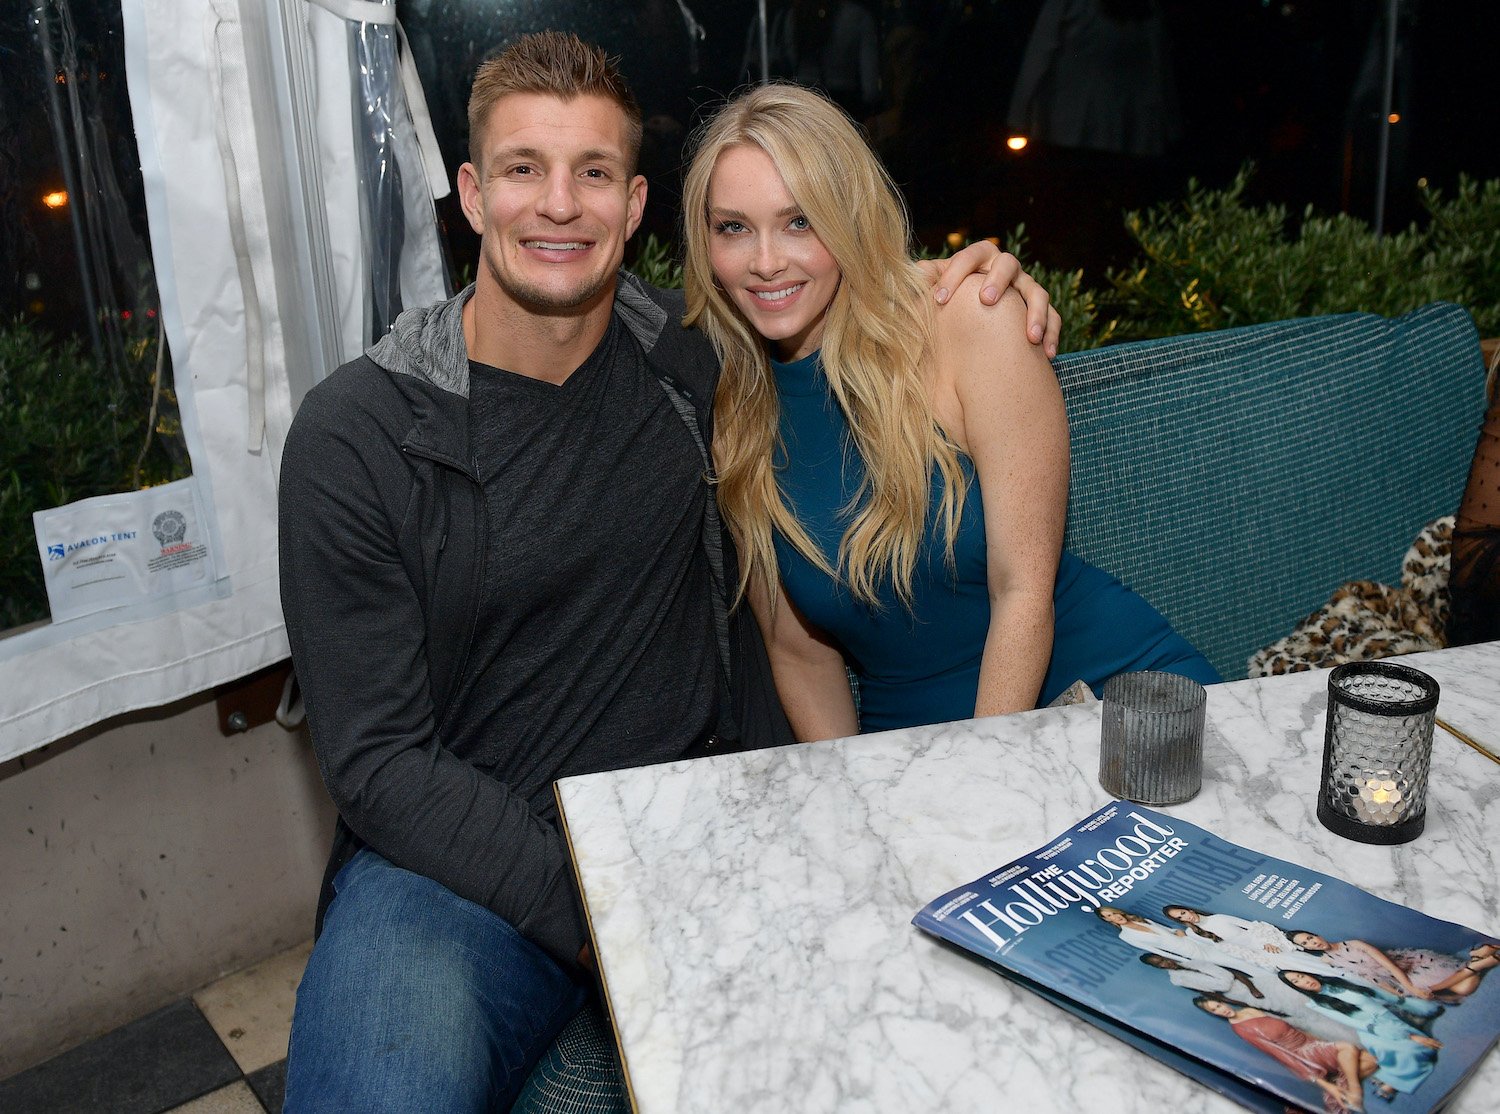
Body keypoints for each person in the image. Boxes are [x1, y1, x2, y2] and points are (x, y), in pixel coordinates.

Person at [277, 32, 1059, 1112]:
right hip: (451, 873)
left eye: (592, 172)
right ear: (469, 194)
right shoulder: (357, 434)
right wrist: (602, 903)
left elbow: (826, 291)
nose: (559, 205)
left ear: (635, 204)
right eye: (522, 170)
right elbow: (379, 765)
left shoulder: (693, 365)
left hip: (705, 835)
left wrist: (968, 279)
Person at [679, 82, 1218, 738]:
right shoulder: (736, 412)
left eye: (801, 221)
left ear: (848, 215)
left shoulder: (967, 317)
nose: (765, 262)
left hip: (1109, 698)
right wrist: (857, 796)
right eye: (733, 228)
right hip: (910, 746)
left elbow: (1022, 594)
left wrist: (982, 784)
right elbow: (800, 651)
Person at [1192, 993, 1375, 1111]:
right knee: (1347, 1047)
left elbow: (1296, 1030)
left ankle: (1345, 1090)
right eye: (1215, 1010)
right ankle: (1355, 1091)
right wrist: (1324, 1083)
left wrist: (1323, 1043)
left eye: (1218, 1005)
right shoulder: (1241, 1029)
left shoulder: (1250, 1009)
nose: (1222, 1010)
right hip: (1301, 1055)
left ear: (1221, 1000)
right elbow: (1279, 1054)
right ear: (1214, 1014)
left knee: (1371, 1059)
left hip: (1312, 1043)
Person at [1279, 971, 1443, 1098]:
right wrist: (1404, 1035)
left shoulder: (1337, 981)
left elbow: (1374, 993)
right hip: (1370, 1030)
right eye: (1297, 982)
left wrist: (1404, 1001)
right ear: (1297, 987)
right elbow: (1353, 1023)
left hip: (1388, 1018)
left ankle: (1391, 1078)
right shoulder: (1315, 1003)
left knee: (1421, 1046)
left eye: (1301, 976)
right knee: (1410, 1049)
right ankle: (1392, 1081)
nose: (1304, 981)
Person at [1138, 954, 1361, 1046]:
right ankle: (1348, 1038)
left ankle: (1356, 1016)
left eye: (1162, 959)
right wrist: (1245, 1002)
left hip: (1254, 984)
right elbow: (1214, 993)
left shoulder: (1191, 961)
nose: (1163, 963)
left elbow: (1231, 972)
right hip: (1238, 995)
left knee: (1304, 999)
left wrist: (1252, 987)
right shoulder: (1178, 979)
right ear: (1156, 968)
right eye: (1158, 964)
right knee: (1295, 1015)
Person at [1289, 931, 1500, 1003]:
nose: (1312, 943)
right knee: (1464, 988)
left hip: (1406, 966)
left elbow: (1388, 965)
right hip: (1392, 981)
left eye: (1310, 937)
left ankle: (1485, 960)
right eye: (1305, 943)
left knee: (1464, 989)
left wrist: (1410, 987)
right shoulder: (1326, 961)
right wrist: (1397, 992)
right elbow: (1366, 978)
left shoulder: (1353, 944)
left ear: (1317, 935)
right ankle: (1478, 958)